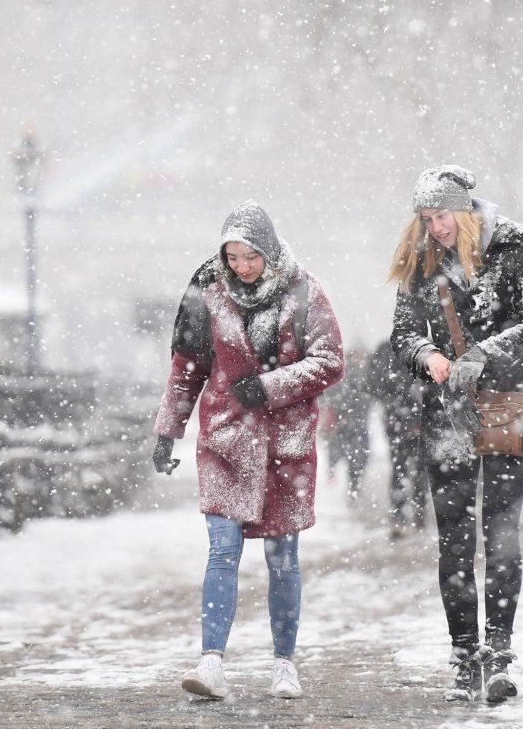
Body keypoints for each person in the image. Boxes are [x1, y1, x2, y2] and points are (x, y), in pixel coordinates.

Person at [152, 201, 344, 701]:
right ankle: (210, 660)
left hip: (285, 447)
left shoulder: (304, 293)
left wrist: (271, 386)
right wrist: (168, 430)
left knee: (283, 558)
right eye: (233, 257)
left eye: (251, 256)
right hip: (225, 442)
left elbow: (329, 361)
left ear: (270, 251)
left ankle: (284, 663)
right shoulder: (206, 293)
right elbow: (187, 367)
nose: (241, 267)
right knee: (222, 551)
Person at [388, 165, 523, 703]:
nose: (436, 227)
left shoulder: (516, 247)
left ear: (464, 209)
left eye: (443, 216)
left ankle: (499, 653)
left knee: (502, 533)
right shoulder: (422, 260)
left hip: (509, 405)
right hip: (448, 413)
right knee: (455, 539)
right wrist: (426, 355)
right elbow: (403, 332)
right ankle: (464, 656)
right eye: (427, 218)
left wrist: (484, 354)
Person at [366, 338, 428, 538]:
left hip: (399, 419)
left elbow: (372, 383)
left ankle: (402, 517)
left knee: (400, 466)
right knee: (417, 467)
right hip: (414, 417)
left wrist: (391, 399)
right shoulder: (426, 346)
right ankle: (417, 515)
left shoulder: (386, 349)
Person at [321, 346, 373, 499]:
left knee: (357, 458)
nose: (359, 359)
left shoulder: (366, 375)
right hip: (345, 424)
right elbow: (332, 395)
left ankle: (353, 487)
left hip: (356, 424)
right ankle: (346, 485)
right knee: (348, 455)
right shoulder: (346, 375)